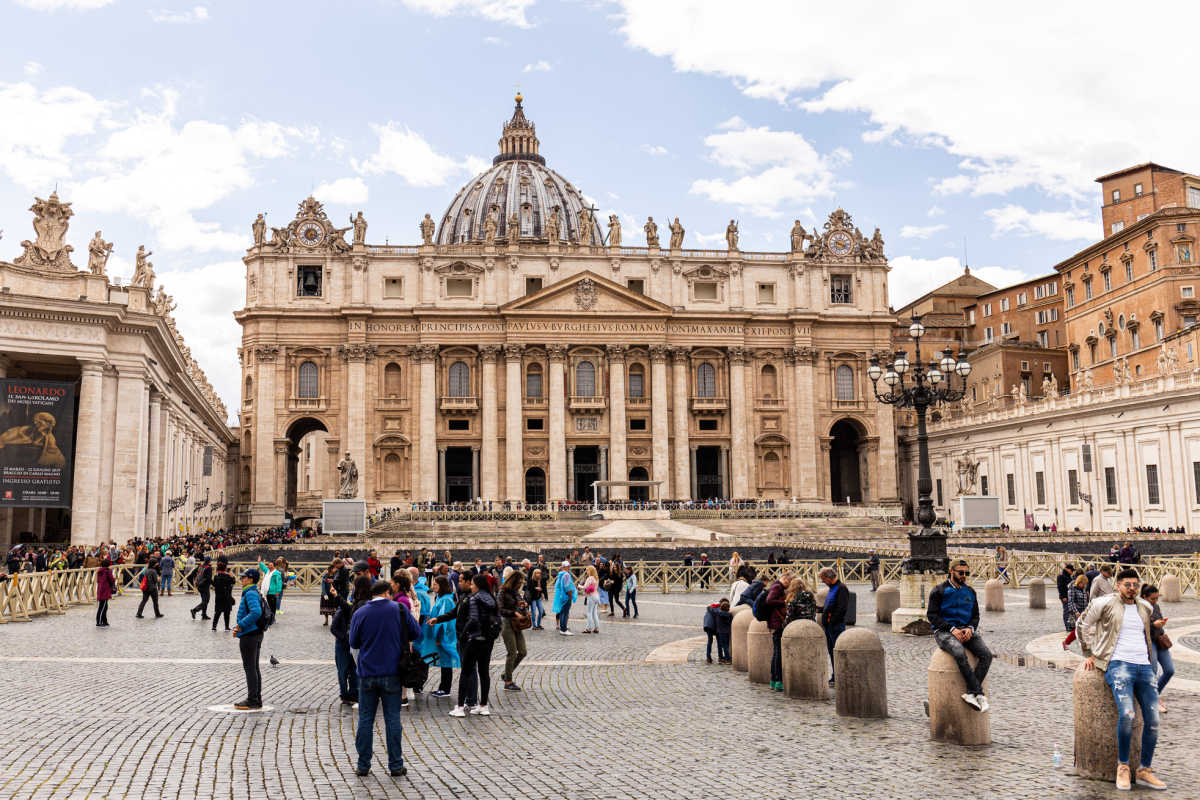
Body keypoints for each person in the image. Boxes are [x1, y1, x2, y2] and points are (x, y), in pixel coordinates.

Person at [1078, 568, 1166, 791]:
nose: (1133, 588)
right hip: (1118, 665)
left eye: (1136, 584)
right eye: (1128, 584)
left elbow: (1148, 634)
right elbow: (1082, 624)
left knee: (1154, 719)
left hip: (1144, 667)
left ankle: (1145, 769)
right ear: (1118, 585)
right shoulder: (1104, 603)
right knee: (1127, 714)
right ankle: (1123, 766)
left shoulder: (1145, 607)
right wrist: (1088, 653)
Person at [349, 579, 421, 777]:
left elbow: (354, 642)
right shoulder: (398, 609)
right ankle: (396, 765)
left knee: (365, 719)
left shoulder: (360, 612)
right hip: (392, 672)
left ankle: (363, 765)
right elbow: (416, 632)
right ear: (388, 593)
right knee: (392, 719)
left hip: (366, 673)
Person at [927, 559, 993, 712]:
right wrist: (951, 629)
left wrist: (970, 628)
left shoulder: (970, 591)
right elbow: (932, 616)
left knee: (987, 655)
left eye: (966, 573)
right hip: (943, 632)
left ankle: (971, 692)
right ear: (951, 571)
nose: (964, 575)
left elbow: (975, 615)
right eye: (961, 572)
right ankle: (979, 693)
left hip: (966, 630)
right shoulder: (938, 591)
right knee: (958, 651)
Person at [451, 574, 500, 718]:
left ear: (477, 585)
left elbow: (473, 619)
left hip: (474, 639)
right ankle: (483, 705)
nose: (471, 586)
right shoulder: (492, 598)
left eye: (472, 584)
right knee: (484, 672)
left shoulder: (474, 598)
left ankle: (460, 707)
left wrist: (463, 633)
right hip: (488, 640)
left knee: (466, 672)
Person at [332, 574, 371, 705]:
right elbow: (349, 611)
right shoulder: (363, 602)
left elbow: (352, 613)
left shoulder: (362, 603)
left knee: (355, 670)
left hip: (356, 642)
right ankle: (352, 694)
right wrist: (337, 597)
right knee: (352, 670)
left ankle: (358, 695)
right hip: (353, 641)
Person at [233, 568, 266, 710]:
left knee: (250, 668)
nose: (241, 580)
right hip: (256, 633)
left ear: (251, 579)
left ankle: (252, 699)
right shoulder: (254, 592)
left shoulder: (250, 594)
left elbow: (256, 612)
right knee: (254, 667)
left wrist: (240, 625)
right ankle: (256, 699)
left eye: (244, 577)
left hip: (250, 635)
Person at [424, 575, 460, 698]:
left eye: (435, 584)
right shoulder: (441, 598)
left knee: (446, 662)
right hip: (442, 635)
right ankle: (443, 687)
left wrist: (439, 637)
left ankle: (445, 688)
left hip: (445, 637)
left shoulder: (445, 600)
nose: (433, 586)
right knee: (444, 661)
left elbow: (445, 621)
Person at [1140, 584, 1173, 714]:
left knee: (1170, 670)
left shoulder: (1156, 606)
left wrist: (1161, 623)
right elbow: (1139, 627)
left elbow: (1157, 621)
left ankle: (1154, 694)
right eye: (1152, 599)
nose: (1155, 601)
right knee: (1152, 670)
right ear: (1144, 597)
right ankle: (1154, 699)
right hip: (1148, 641)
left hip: (1159, 639)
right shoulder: (1139, 608)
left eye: (1156, 598)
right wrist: (1153, 624)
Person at [818, 567, 849, 687]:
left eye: (823, 579)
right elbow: (830, 606)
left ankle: (839, 676)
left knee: (836, 652)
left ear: (828, 577)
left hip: (835, 626)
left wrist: (831, 620)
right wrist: (820, 609)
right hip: (829, 626)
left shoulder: (841, 588)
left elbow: (842, 609)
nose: (822, 581)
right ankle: (835, 676)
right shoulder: (832, 588)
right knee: (831, 652)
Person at [498, 570, 528, 691]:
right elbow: (500, 609)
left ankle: (506, 674)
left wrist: (523, 606)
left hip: (517, 624)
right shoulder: (503, 592)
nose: (521, 584)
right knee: (512, 652)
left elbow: (519, 605)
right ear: (514, 581)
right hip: (507, 623)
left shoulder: (516, 592)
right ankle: (508, 681)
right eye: (519, 582)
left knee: (522, 652)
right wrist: (513, 612)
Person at [763, 572, 791, 691]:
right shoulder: (777, 586)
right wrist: (784, 602)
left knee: (776, 653)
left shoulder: (776, 586)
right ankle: (778, 680)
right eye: (789, 582)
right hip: (777, 623)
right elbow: (769, 601)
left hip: (774, 622)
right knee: (778, 653)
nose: (789, 585)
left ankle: (774, 681)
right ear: (784, 579)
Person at [1063, 573, 1088, 648]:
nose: (1084, 585)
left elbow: (1086, 601)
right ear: (1079, 582)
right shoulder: (1072, 589)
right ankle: (1066, 642)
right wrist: (1076, 612)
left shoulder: (1083, 589)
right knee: (1079, 629)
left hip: (1084, 612)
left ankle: (1068, 642)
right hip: (1077, 612)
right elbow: (1071, 602)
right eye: (1083, 584)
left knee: (1082, 629)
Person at [552, 561, 577, 635]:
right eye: (568, 566)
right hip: (566, 596)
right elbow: (567, 587)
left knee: (562, 612)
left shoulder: (560, 574)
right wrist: (570, 596)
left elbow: (558, 586)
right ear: (565, 567)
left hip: (561, 596)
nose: (569, 567)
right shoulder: (566, 575)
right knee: (565, 613)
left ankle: (562, 628)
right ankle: (564, 629)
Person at [212, 560, 235, 631]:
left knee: (217, 612)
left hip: (218, 596)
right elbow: (233, 582)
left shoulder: (216, 577)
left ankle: (214, 626)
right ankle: (226, 627)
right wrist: (232, 576)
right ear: (225, 568)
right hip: (227, 596)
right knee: (227, 613)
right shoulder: (228, 577)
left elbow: (214, 584)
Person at [1056, 563, 1077, 633]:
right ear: (1067, 569)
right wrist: (1063, 596)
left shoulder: (1068, 575)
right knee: (1066, 611)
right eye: (1071, 570)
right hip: (1065, 596)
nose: (1072, 571)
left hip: (1069, 596)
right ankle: (1067, 626)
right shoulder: (1061, 576)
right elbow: (1060, 587)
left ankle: (1071, 625)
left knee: (1070, 611)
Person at [581, 565, 600, 634]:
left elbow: (585, 587)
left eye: (587, 570)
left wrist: (579, 586)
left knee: (589, 613)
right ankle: (597, 628)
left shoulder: (590, 578)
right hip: (596, 596)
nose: (587, 572)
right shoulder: (596, 578)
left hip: (591, 596)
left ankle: (588, 628)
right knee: (594, 613)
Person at [95, 558, 115, 627]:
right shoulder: (107, 571)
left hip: (100, 589)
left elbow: (98, 580)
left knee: (104, 606)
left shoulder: (100, 571)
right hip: (105, 590)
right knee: (103, 606)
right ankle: (99, 621)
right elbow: (112, 580)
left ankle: (104, 621)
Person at [320, 560, 340, 626]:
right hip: (326, 594)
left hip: (333, 594)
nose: (336, 569)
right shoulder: (325, 575)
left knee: (333, 608)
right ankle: (326, 620)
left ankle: (333, 621)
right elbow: (323, 585)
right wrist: (324, 594)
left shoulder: (336, 575)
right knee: (325, 608)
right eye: (334, 568)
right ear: (331, 569)